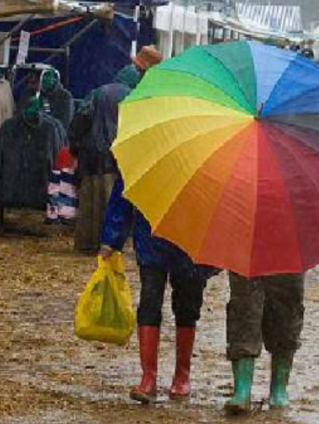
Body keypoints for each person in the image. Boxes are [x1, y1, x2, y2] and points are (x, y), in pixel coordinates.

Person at [100, 175, 214, 403]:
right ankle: (148, 377)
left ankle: (182, 374)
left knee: (187, 307)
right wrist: (111, 239)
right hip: (151, 238)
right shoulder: (150, 153)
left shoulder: (208, 158)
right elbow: (126, 190)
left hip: (191, 241)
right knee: (150, 301)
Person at [68, 47, 163, 253]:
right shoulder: (137, 98)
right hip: (117, 156)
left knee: (88, 201)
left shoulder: (99, 91)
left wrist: (76, 147)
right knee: (111, 203)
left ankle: (85, 244)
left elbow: (80, 119)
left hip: (91, 154)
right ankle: (106, 245)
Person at [225, 272, 305, 413]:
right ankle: (242, 389)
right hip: (244, 253)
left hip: (287, 255)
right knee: (243, 306)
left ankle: (279, 387)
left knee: (287, 309)